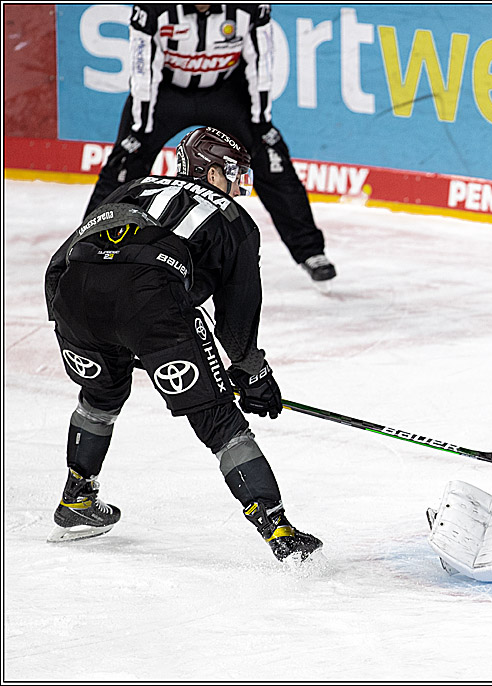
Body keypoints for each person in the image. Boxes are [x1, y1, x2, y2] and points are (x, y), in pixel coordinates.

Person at [44, 125, 322, 564]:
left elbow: (62, 260)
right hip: (151, 303)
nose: (237, 185)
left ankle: (77, 497)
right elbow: (239, 312)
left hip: (74, 297)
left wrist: (75, 325)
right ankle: (280, 532)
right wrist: (252, 373)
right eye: (234, 174)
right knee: (220, 422)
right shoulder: (234, 219)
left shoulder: (132, 188)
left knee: (100, 396)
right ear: (212, 174)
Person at [83, 3, 337, 283]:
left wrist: (260, 122)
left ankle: (310, 251)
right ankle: (90, 245)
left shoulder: (250, 7)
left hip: (227, 92)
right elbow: (143, 68)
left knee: (270, 156)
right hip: (165, 93)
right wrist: (140, 128)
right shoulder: (152, 8)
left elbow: (261, 61)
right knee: (126, 160)